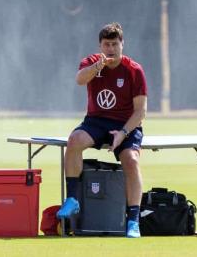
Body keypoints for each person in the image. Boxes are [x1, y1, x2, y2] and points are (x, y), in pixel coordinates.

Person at [56, 22, 147, 238]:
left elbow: (140, 112)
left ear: (122, 45)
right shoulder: (91, 63)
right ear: (100, 46)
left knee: (131, 160)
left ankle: (133, 221)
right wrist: (98, 67)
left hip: (126, 124)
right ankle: (72, 199)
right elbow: (79, 80)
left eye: (115, 44)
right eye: (106, 45)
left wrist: (123, 133)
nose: (111, 49)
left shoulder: (134, 70)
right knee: (74, 140)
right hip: (96, 121)